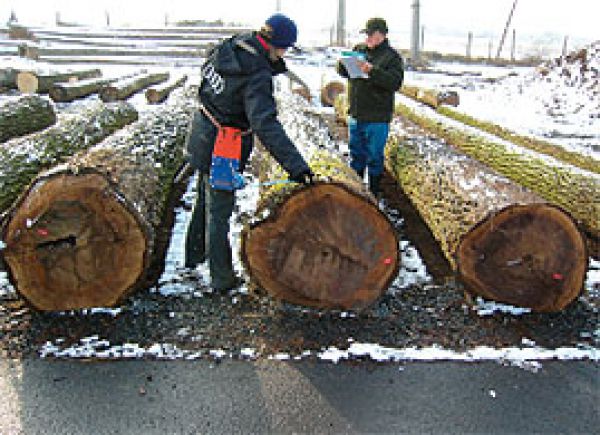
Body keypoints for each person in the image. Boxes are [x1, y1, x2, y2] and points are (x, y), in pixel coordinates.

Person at [184, 13, 314, 291]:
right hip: (223, 143)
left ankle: (193, 258)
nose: (285, 54)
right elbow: (264, 122)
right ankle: (222, 279)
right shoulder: (256, 74)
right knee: (220, 211)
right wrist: (296, 166)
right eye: (285, 48)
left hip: (201, 131)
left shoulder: (233, 45)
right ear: (276, 44)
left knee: (204, 200)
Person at [336, 17, 404, 196]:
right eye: (366, 35)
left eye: (370, 34)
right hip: (356, 113)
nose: (367, 38)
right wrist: (343, 63)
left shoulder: (392, 57)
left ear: (381, 34)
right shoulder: (359, 50)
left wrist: (371, 71)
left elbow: (395, 82)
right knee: (356, 155)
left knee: (374, 157)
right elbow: (343, 72)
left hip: (377, 118)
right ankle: (357, 192)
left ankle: (374, 193)